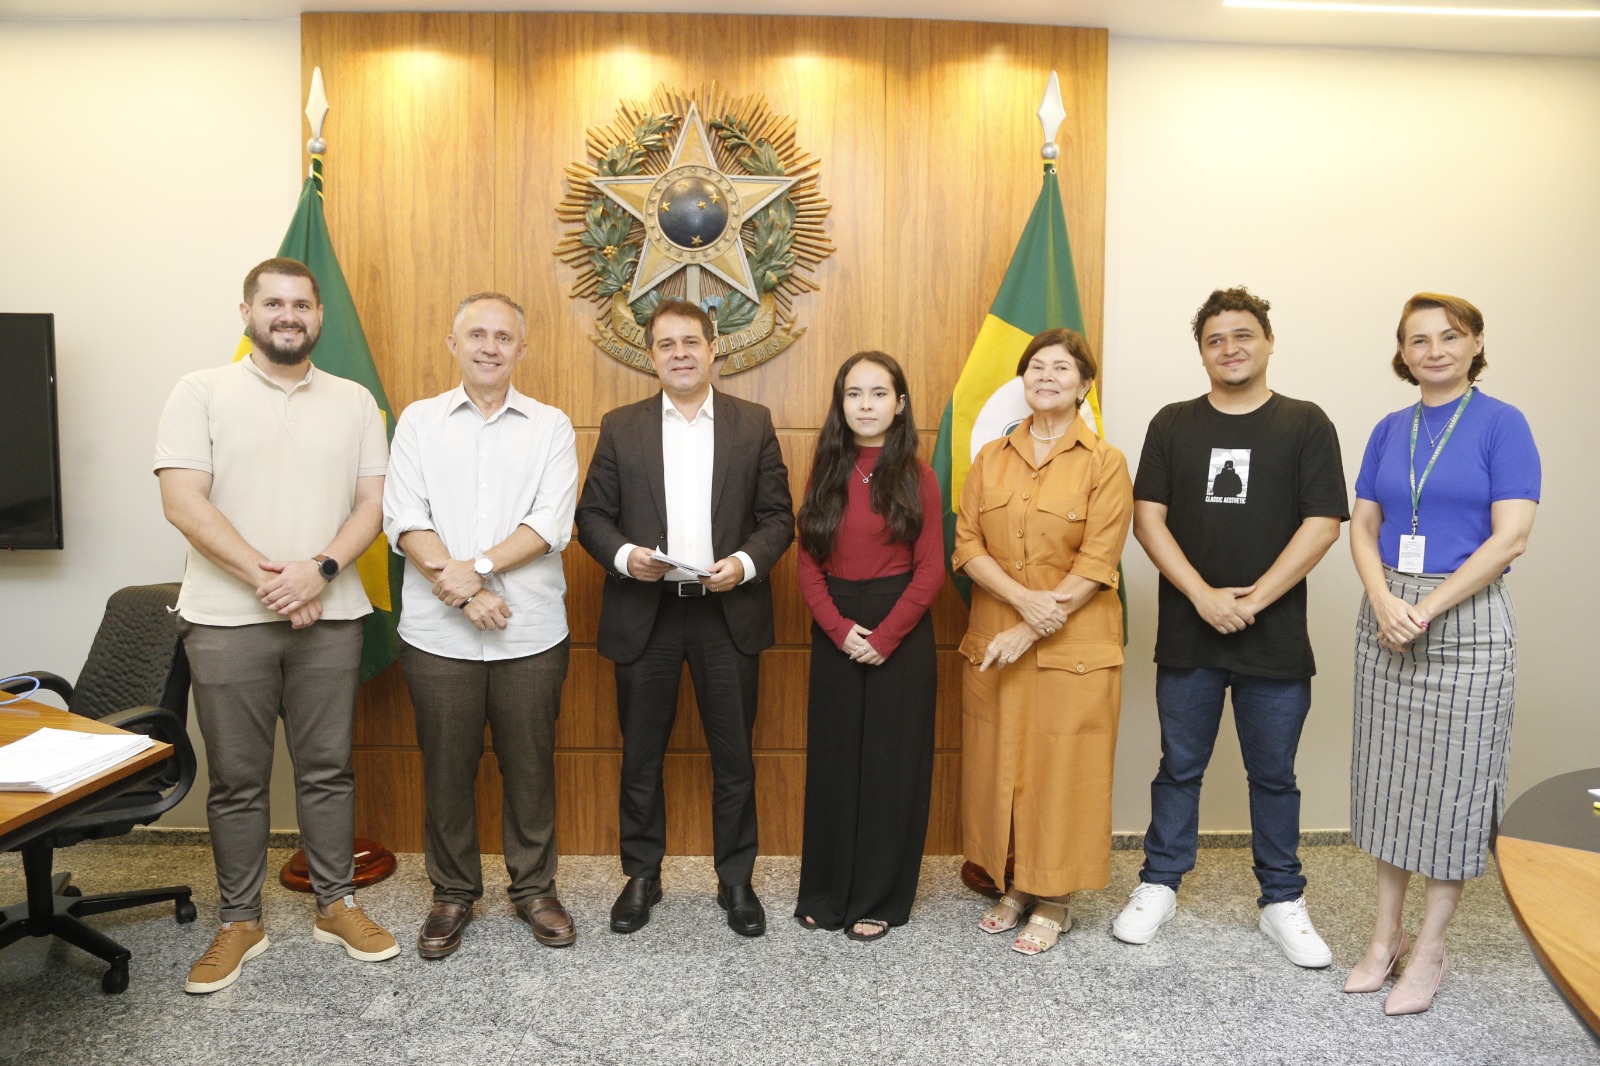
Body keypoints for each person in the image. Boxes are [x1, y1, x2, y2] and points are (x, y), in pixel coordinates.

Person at [154, 257, 398, 994]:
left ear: (319, 316)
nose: (288, 315)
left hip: (332, 615)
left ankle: (335, 905)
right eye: (274, 303)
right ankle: (240, 920)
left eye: (301, 304)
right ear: (247, 312)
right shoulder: (200, 391)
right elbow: (183, 501)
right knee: (237, 780)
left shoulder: (356, 401)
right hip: (226, 620)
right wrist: (275, 580)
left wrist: (317, 571)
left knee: (327, 770)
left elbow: (372, 505)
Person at [1112, 287, 1347, 968]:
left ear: (1269, 342)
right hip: (1190, 633)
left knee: (1273, 774)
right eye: (1215, 339)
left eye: (1243, 335)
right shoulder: (1172, 424)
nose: (1230, 348)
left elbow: (1323, 524)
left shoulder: (1305, 423)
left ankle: (1282, 901)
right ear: (1201, 353)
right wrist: (1204, 597)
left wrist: (1252, 601)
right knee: (1179, 768)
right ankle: (1159, 884)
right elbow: (1148, 519)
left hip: (1275, 636)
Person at [575, 297, 794, 938]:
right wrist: (626, 557)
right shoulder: (622, 426)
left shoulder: (753, 423)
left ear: (713, 348)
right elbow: (592, 516)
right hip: (647, 614)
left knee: (736, 760)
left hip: (728, 612)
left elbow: (778, 517)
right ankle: (642, 876)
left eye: (691, 342)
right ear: (651, 355)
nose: (680, 354)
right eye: (666, 344)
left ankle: (736, 880)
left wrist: (745, 565)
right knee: (641, 757)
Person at [1345, 293, 1539, 1016]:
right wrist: (1383, 600)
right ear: (1403, 352)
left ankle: (1429, 947)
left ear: (1476, 342)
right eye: (1418, 340)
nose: (1434, 351)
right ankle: (1385, 935)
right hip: (1387, 616)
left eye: (1449, 336)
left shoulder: (1502, 424)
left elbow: (1511, 537)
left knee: (1454, 786)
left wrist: (1425, 608)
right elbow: (1363, 526)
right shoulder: (1388, 429)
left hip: (1465, 620)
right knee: (1389, 780)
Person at [382, 292, 580, 958]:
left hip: (531, 632)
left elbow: (551, 522)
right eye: (477, 335)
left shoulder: (551, 425)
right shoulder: (419, 421)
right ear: (453, 344)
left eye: (503, 337)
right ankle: (452, 892)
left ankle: (535, 890)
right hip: (438, 636)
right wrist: (465, 593)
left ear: (522, 349)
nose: (490, 347)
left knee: (531, 768)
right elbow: (404, 517)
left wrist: (480, 569)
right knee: (446, 769)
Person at [952, 327, 1132, 957]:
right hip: (996, 641)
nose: (1046, 376)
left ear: (1084, 386)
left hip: (1073, 647)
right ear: (1022, 381)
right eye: (1036, 367)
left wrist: (1032, 623)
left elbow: (1099, 558)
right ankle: (1017, 884)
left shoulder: (1105, 463)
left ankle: (1054, 897)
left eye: (1062, 368)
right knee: (1003, 767)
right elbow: (967, 544)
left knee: (1062, 771)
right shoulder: (990, 458)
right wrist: (1023, 600)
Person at [793, 352, 944, 943]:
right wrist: (838, 629)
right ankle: (826, 892)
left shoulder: (919, 476)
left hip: (899, 630)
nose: (865, 405)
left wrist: (884, 637)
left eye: (878, 394)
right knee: (834, 766)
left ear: (899, 404)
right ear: (841, 404)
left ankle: (880, 897)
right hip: (836, 627)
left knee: (889, 769)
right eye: (854, 394)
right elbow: (808, 564)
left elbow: (930, 571)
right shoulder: (825, 471)